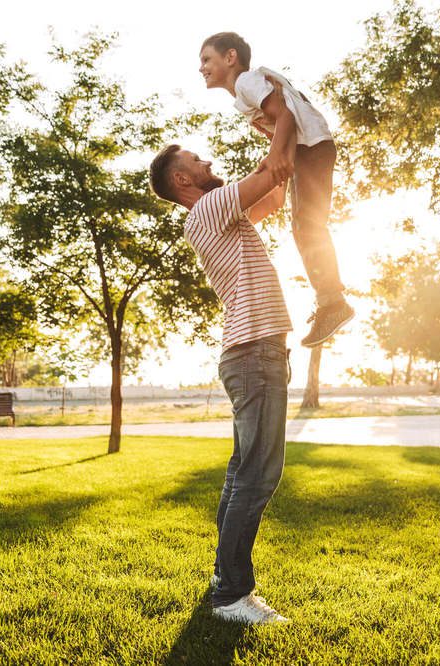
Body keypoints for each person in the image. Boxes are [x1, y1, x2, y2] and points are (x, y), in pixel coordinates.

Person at [149, 116, 293, 625]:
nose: (206, 161)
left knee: (241, 475)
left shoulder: (220, 217)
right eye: (195, 160)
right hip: (254, 353)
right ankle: (232, 596)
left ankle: (223, 581)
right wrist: (285, 116)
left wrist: (281, 146)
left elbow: (274, 194)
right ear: (183, 181)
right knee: (257, 476)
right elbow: (273, 171)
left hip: (251, 352)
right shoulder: (209, 207)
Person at [199, 31, 355, 348]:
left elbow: (284, 115)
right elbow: (282, 117)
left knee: (308, 225)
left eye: (206, 60)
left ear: (230, 57)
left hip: (310, 147)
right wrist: (275, 158)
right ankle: (329, 299)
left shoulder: (245, 82)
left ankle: (333, 301)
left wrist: (276, 157)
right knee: (303, 226)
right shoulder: (245, 93)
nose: (201, 68)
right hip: (307, 149)